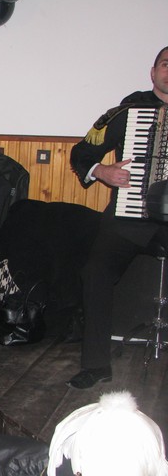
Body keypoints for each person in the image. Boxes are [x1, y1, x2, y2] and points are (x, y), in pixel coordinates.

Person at [67, 46, 168, 390]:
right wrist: (102, 171)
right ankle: (96, 365)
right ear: (153, 72)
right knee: (95, 272)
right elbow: (82, 152)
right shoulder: (128, 110)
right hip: (128, 218)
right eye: (166, 64)